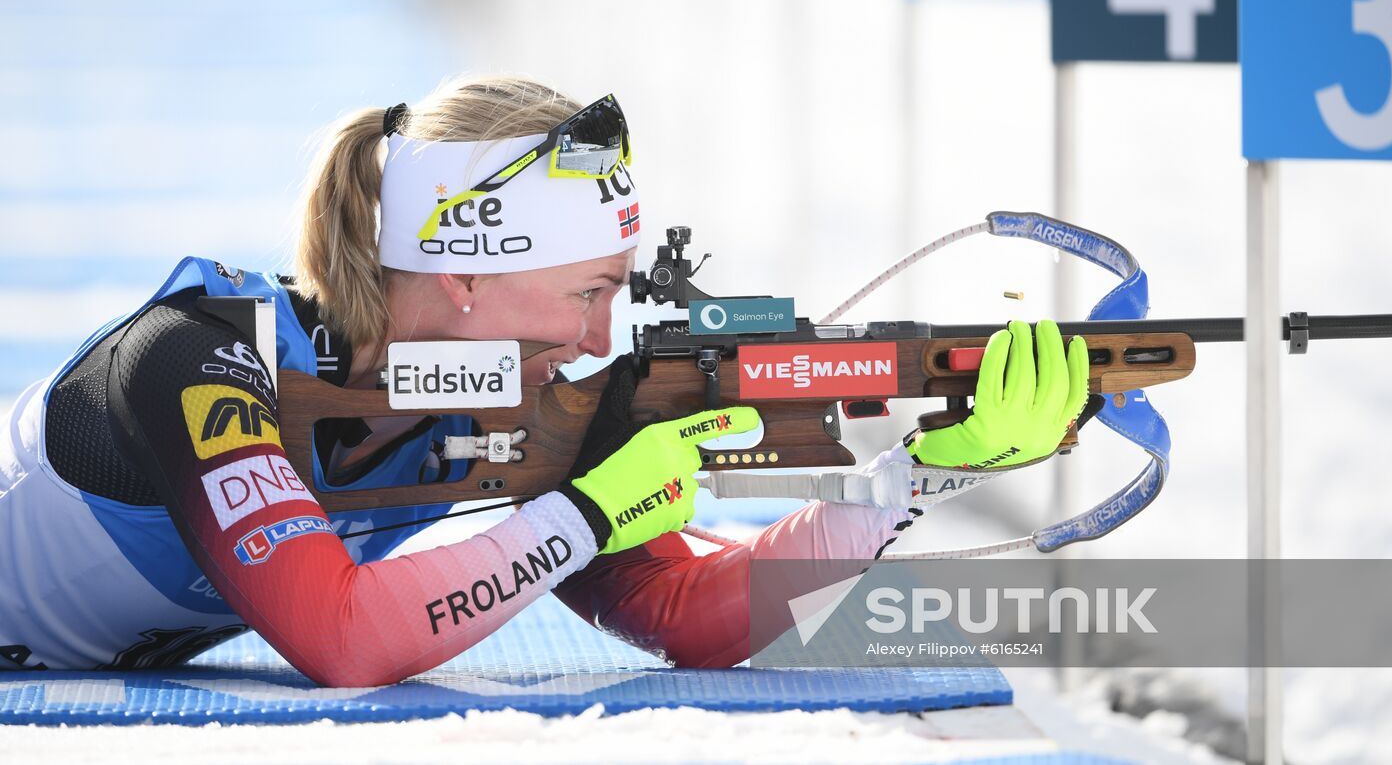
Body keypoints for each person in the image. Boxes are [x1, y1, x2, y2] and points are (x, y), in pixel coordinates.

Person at [0, 76, 1087, 685]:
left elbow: (690, 619)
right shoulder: (195, 360)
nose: (599, 334)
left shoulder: (511, 407)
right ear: (468, 272)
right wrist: (579, 515)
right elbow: (341, 637)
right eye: (585, 293)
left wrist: (908, 483)